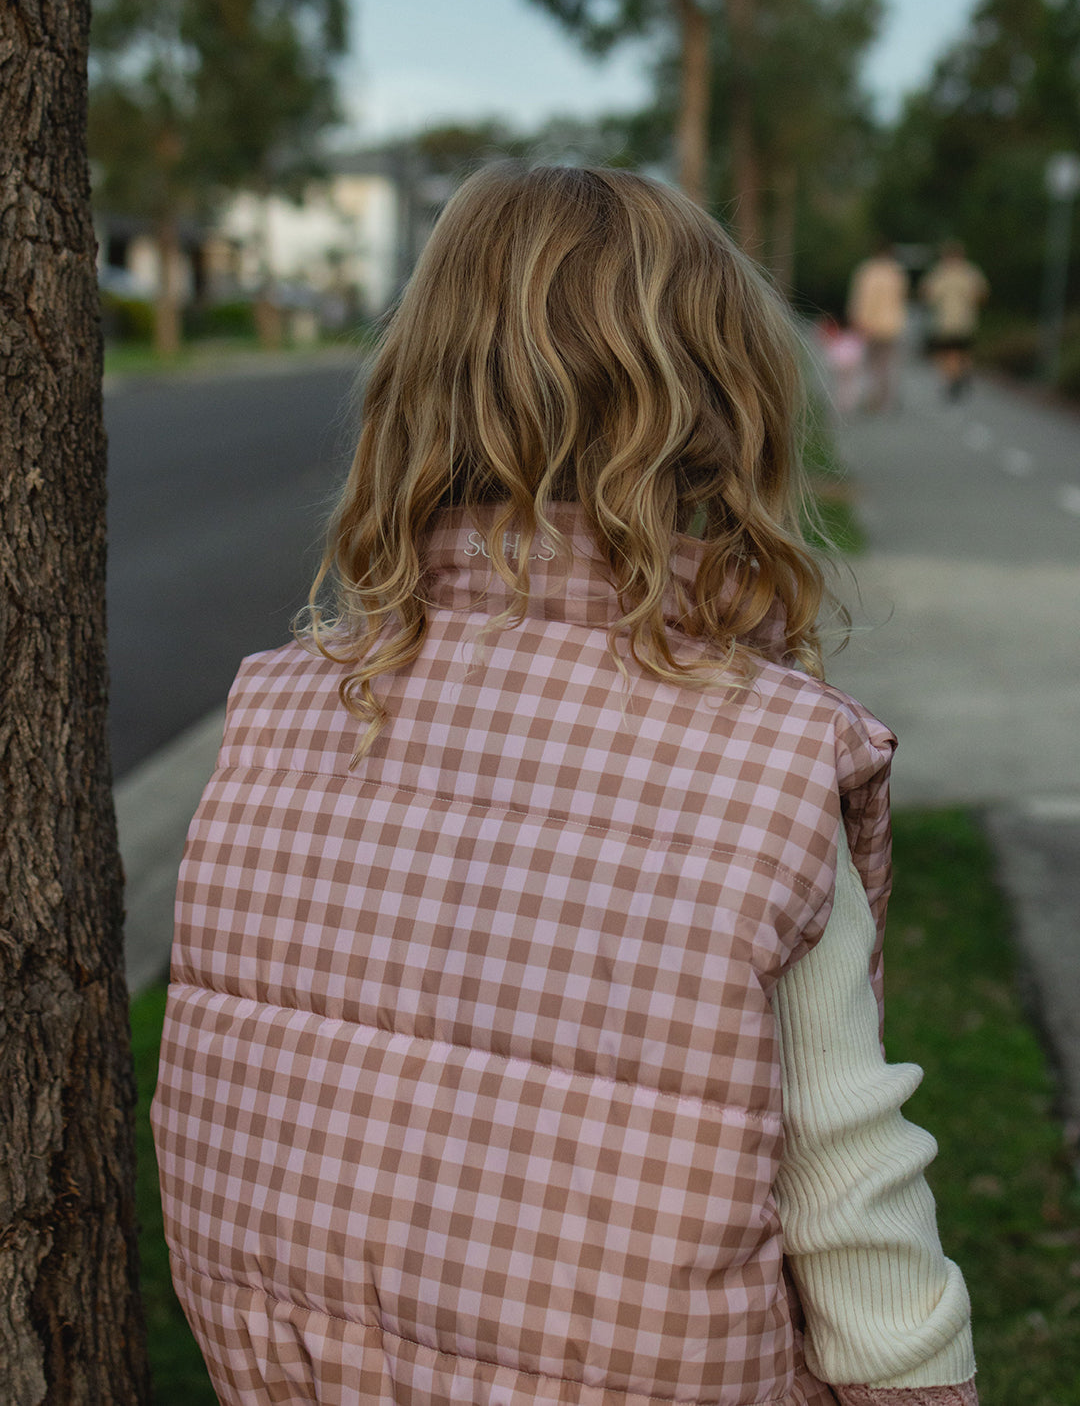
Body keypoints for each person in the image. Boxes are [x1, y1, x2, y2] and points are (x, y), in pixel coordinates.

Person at [151, 166, 978, 1406]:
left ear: (418, 392)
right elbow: (852, 1207)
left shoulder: (276, 714)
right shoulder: (765, 760)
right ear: (725, 407)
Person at [920, 242, 989, 401]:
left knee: (947, 353)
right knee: (963, 352)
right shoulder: (970, 272)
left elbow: (927, 294)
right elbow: (982, 294)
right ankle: (962, 373)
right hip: (966, 321)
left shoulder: (940, 273)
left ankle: (953, 379)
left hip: (945, 321)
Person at [846, 242, 909, 412]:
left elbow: (860, 298)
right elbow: (902, 297)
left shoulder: (866, 270)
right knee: (887, 364)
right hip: (892, 324)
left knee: (870, 364)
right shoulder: (897, 272)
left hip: (869, 324)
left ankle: (871, 398)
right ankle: (886, 400)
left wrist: (856, 319)